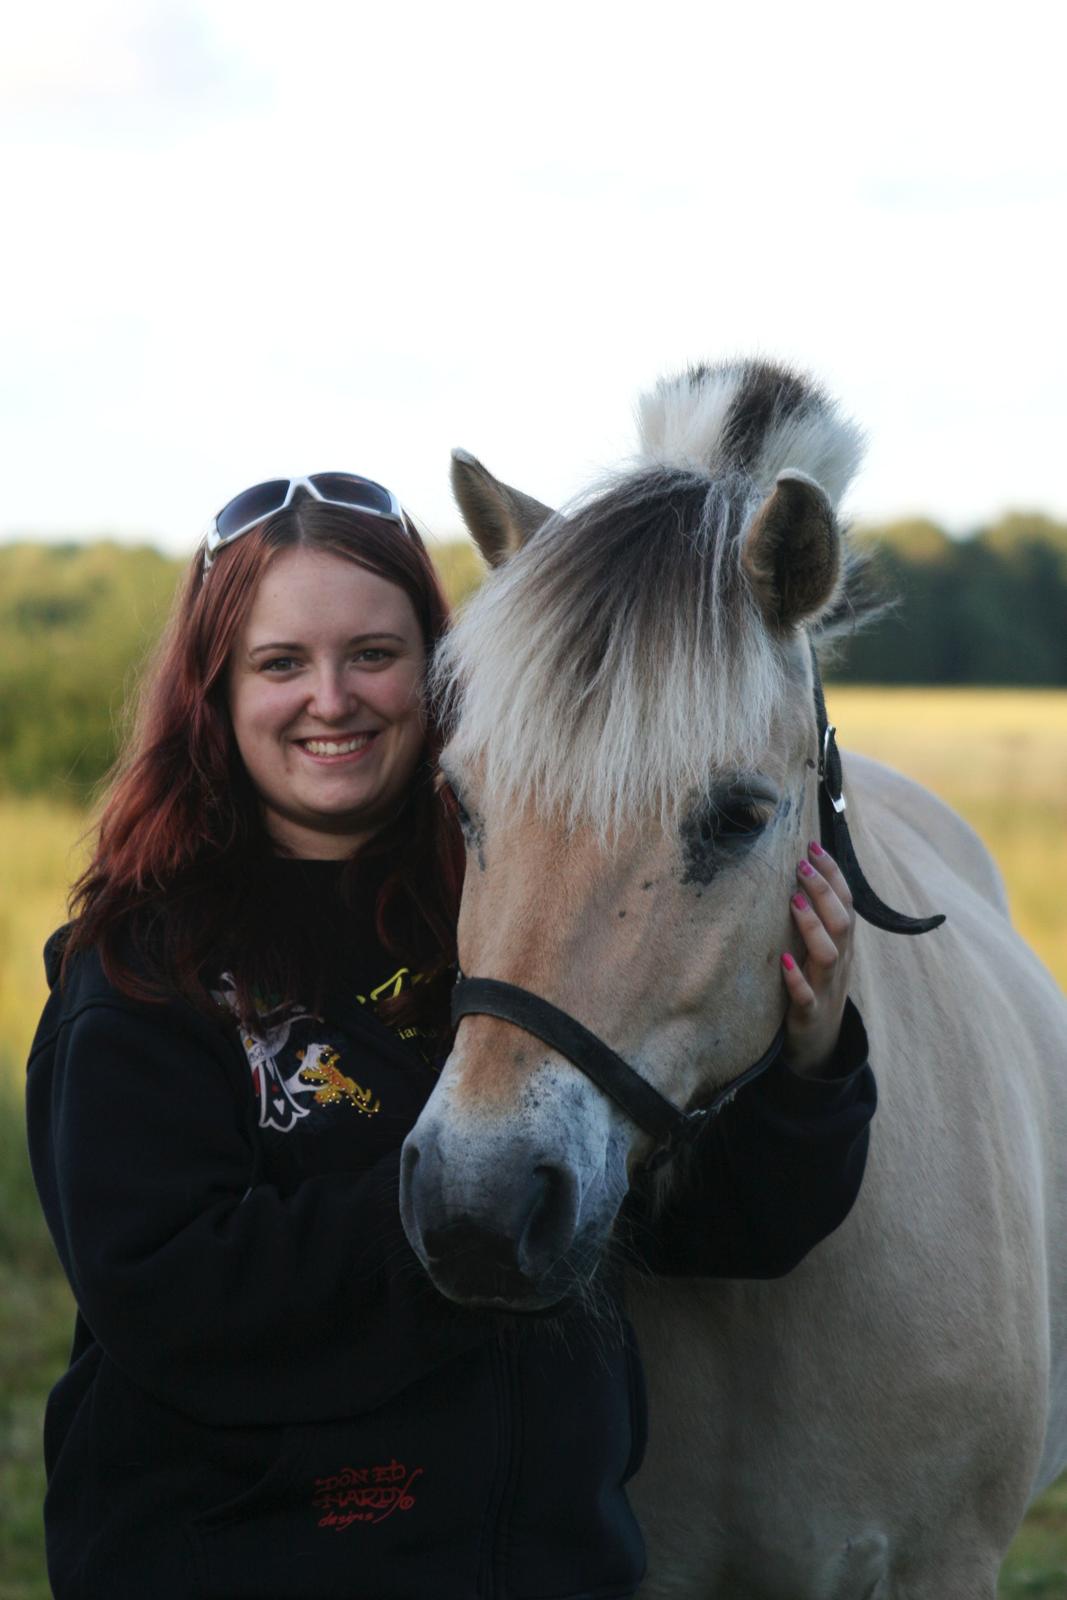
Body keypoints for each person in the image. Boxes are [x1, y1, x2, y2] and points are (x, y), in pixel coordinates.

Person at [26, 473, 876, 1600]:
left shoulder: (521, 927)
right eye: (280, 663)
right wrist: (457, 1217)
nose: (332, 698)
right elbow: (168, 1295)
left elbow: (718, 1230)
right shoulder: (145, 967)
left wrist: (809, 1067)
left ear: (446, 676)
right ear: (216, 693)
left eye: (374, 654)